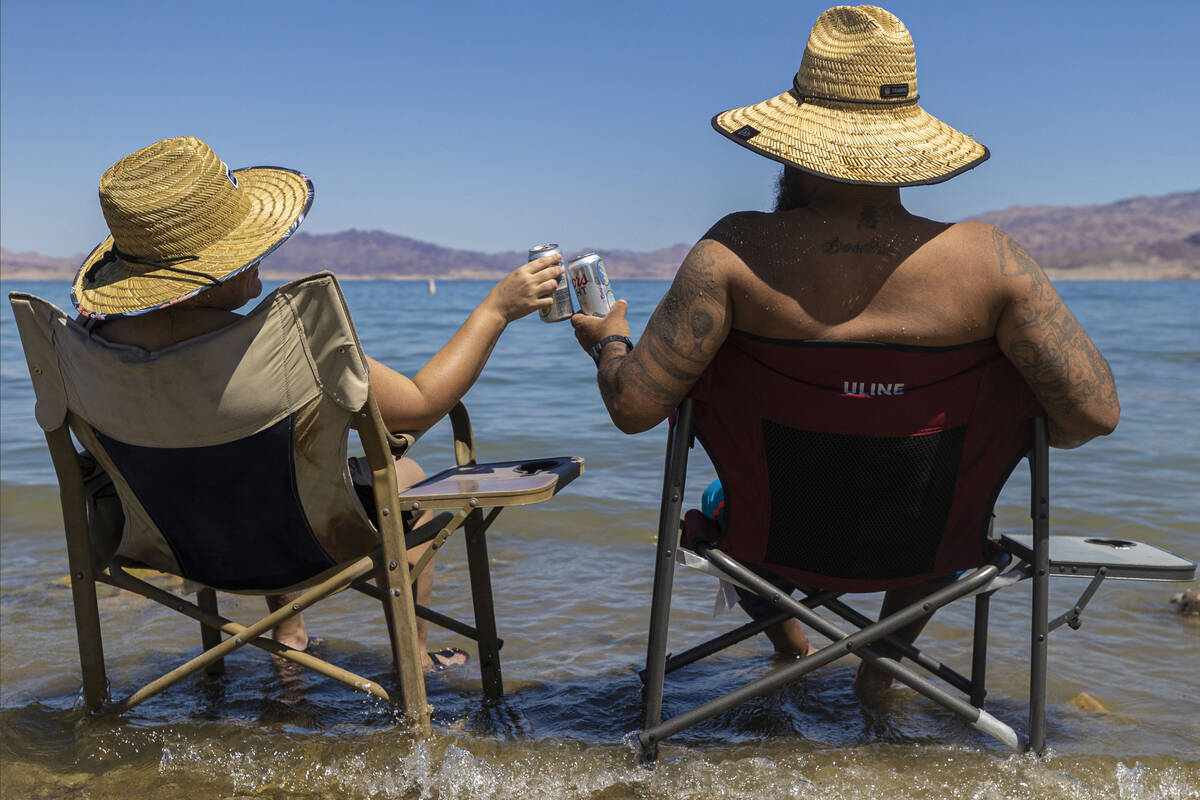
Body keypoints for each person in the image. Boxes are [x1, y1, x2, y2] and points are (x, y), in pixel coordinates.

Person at [572, 5, 1119, 697]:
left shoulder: (733, 254)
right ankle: (879, 669)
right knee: (948, 498)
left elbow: (634, 407)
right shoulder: (992, 262)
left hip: (766, 537)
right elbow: (1092, 417)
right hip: (930, 545)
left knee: (729, 493)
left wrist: (608, 340)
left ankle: (790, 646)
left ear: (790, 143)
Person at [72, 136, 564, 673]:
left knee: (241, 466)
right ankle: (416, 659)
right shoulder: (283, 346)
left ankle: (288, 636)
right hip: (289, 538)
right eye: (247, 245)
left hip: (170, 542)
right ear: (211, 270)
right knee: (406, 475)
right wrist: (495, 309)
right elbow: (423, 404)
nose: (264, 255)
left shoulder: (88, 346)